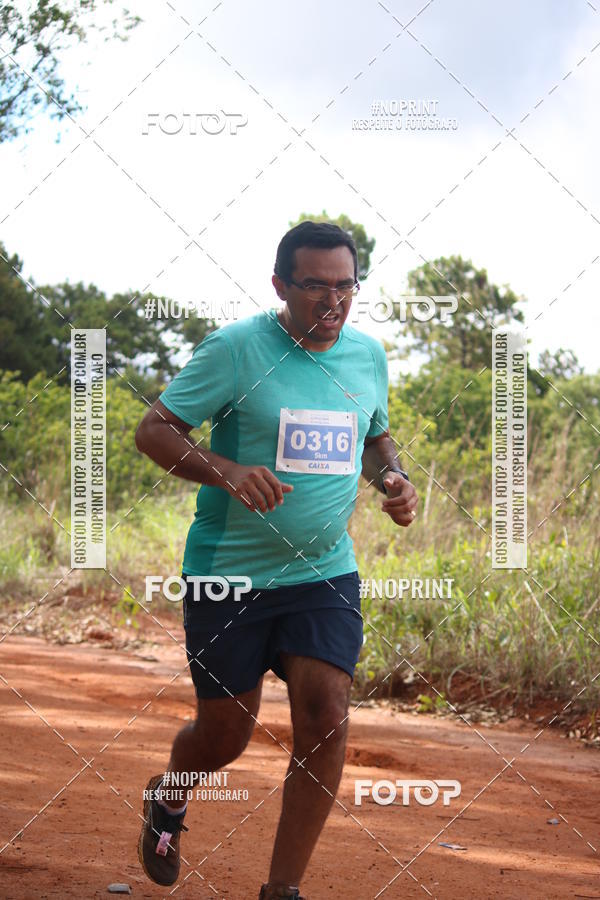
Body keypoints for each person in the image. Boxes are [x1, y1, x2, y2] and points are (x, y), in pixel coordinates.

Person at [134, 220, 418, 899]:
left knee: (325, 714)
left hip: (322, 571)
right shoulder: (236, 350)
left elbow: (375, 437)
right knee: (225, 733)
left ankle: (281, 889)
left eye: (345, 286)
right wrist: (226, 470)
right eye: (314, 286)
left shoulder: (367, 357)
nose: (332, 302)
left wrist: (393, 480)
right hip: (229, 572)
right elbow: (154, 431)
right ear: (280, 285)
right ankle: (170, 795)